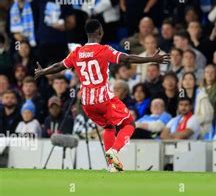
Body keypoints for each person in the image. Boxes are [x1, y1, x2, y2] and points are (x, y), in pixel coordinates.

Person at [34, 19, 170, 172]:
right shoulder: (104, 50)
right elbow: (127, 58)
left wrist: (43, 71)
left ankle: (112, 165)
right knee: (129, 124)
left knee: (109, 127)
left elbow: (59, 66)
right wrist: (151, 59)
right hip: (104, 99)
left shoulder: (77, 53)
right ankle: (113, 151)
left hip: (87, 103)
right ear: (99, 32)